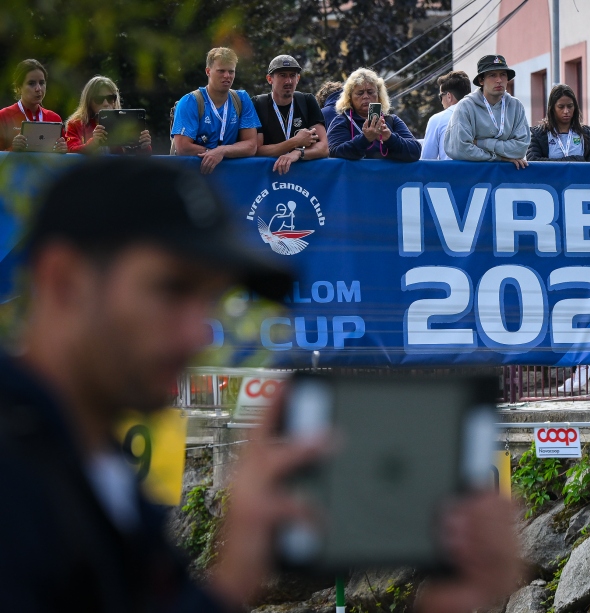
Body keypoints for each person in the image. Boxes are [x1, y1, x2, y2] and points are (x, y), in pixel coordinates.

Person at [0, 156, 521, 612]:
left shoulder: (96, 474)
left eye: (207, 298)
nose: (197, 331)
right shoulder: (20, 482)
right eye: (170, 288)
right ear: (63, 280)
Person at [171, 47, 261, 174]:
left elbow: (251, 146)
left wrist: (222, 151)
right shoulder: (190, 101)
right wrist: (212, 154)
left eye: (231, 71)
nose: (227, 76)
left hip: (230, 176)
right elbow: (183, 148)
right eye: (221, 71)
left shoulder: (242, 99)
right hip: (193, 175)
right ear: (208, 71)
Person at [443, 54, 529, 168]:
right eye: (492, 75)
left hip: (504, 181)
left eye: (503, 74)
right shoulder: (465, 106)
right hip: (472, 180)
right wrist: (500, 158)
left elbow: (520, 149)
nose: (499, 80)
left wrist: (480, 143)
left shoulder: (516, 106)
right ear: (481, 80)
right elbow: (460, 149)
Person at [253, 55, 328, 175]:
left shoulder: (307, 101)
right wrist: (295, 141)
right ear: (269, 79)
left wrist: (298, 153)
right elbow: (256, 150)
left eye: (292, 75)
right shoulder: (259, 104)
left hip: (304, 179)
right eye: (282, 75)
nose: (288, 81)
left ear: (298, 78)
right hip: (268, 177)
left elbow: (324, 148)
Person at [327, 67, 421, 161]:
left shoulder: (391, 120)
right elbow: (334, 153)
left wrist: (390, 138)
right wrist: (365, 139)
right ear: (349, 98)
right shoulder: (341, 121)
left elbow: (415, 151)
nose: (366, 96)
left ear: (379, 96)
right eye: (360, 93)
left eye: (370, 92)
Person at [64, 75, 153, 154]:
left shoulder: (124, 123)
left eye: (110, 98)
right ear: (88, 102)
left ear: (115, 101)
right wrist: (93, 143)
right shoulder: (76, 124)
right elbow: (71, 151)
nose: (106, 103)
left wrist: (144, 145)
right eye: (99, 99)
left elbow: (136, 158)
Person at [0, 59, 66, 153]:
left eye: (42, 83)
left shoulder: (54, 118)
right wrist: (13, 149)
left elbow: (62, 161)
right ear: (19, 88)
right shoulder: (3, 116)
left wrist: (63, 150)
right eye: (31, 83)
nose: (38, 89)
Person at [527, 83, 590, 162]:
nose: (566, 111)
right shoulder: (538, 134)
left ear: (575, 107)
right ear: (552, 108)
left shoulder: (588, 134)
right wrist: (577, 160)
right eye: (561, 107)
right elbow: (534, 162)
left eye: (570, 106)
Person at [420, 70, 471, 160]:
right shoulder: (482, 116)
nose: (441, 101)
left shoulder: (437, 119)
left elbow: (427, 159)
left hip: (449, 173)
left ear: (449, 96)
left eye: (441, 96)